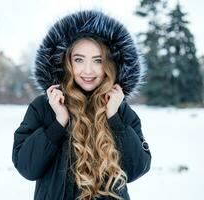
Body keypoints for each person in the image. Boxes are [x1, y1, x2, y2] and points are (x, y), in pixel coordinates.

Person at [12, 10, 151, 200]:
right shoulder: (44, 107)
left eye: (98, 60)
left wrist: (114, 119)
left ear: (110, 65)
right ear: (66, 62)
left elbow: (137, 169)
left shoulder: (119, 108)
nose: (88, 70)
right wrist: (58, 122)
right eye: (79, 59)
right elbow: (27, 168)